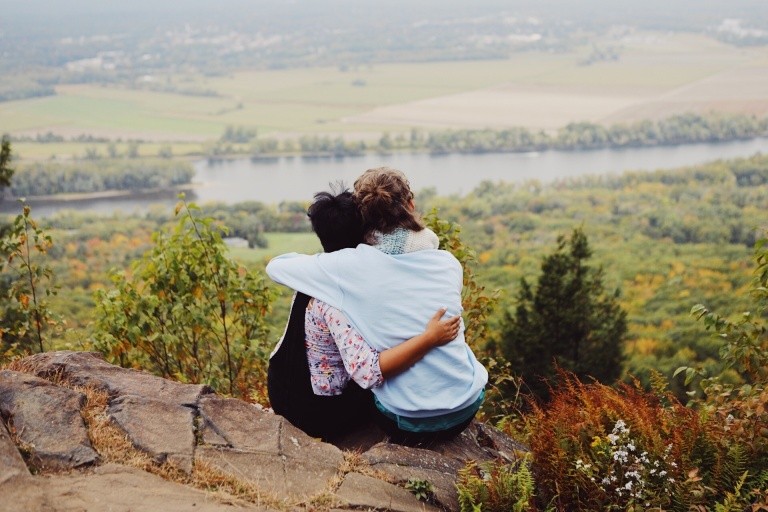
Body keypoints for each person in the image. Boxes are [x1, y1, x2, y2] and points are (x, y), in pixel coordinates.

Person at [267, 168, 488, 445]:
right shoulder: (448, 263)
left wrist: (326, 260)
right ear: (411, 204)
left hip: (406, 423)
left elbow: (276, 267)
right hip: (466, 407)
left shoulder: (350, 266)